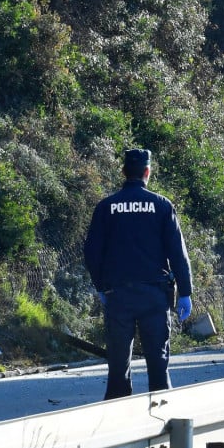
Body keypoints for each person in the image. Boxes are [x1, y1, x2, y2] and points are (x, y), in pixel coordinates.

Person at [84, 149, 194, 400]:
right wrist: (185, 292)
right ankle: (161, 411)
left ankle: (118, 413)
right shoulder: (162, 205)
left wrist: (101, 286)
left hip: (118, 294)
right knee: (158, 359)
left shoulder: (106, 207)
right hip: (154, 296)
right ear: (147, 172)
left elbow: (91, 252)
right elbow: (178, 253)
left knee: (118, 360)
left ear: (123, 172)